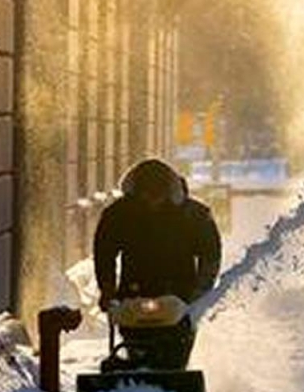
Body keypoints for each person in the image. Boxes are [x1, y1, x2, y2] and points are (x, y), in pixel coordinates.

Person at [93, 158, 222, 370]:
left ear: (168, 191)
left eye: (157, 195)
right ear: (136, 192)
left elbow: (211, 256)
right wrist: (107, 289)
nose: (152, 201)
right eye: (146, 194)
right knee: (134, 342)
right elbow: (104, 253)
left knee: (177, 348)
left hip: (180, 297)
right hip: (133, 293)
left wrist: (199, 295)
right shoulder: (118, 215)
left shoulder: (193, 215)